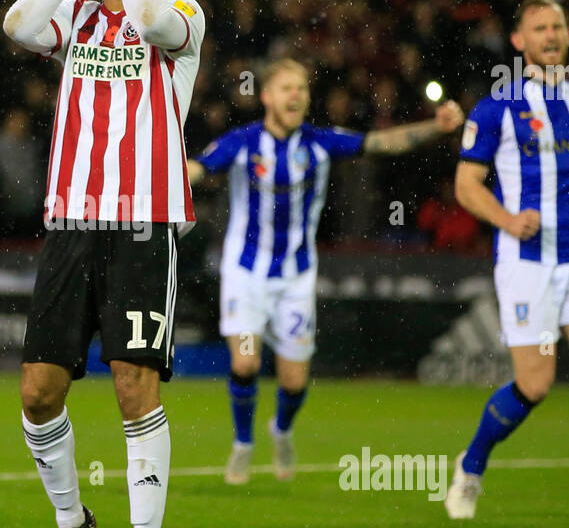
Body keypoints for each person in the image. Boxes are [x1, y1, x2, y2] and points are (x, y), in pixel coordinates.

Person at [2, 0, 205, 528]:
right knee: (38, 391)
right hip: (72, 223)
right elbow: (17, 23)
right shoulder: (79, 18)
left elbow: (148, 19)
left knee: (132, 384)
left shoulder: (181, 11)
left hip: (144, 224)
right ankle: (71, 523)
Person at [187, 58, 463, 483]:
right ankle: (243, 444)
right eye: (286, 88)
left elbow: (381, 143)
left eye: (301, 88)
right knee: (245, 363)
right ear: (266, 97)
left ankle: (280, 430)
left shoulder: (319, 142)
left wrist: (436, 127)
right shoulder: (241, 143)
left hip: (296, 277)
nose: (295, 95)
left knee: (294, 379)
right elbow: (198, 169)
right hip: (246, 274)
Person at [445, 0, 569, 527]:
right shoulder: (496, 108)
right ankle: (471, 466)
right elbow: (466, 186)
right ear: (519, 41)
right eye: (540, 28)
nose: (552, 35)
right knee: (534, 384)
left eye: (558, 25)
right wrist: (508, 220)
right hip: (527, 262)